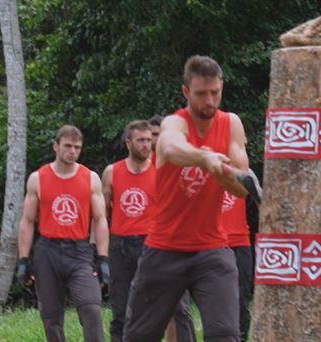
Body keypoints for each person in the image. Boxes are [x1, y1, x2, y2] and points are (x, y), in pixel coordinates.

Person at [123, 55, 251, 342]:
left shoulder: (231, 124)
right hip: (164, 248)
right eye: (201, 94)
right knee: (139, 336)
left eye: (215, 92)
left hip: (212, 249)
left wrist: (224, 174)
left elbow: (241, 189)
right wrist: (205, 157)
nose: (209, 100)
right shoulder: (174, 123)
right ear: (185, 92)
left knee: (225, 335)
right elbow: (169, 148)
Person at [102, 120, 195, 342]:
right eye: (141, 140)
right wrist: (100, 253)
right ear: (128, 143)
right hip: (121, 244)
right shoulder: (112, 172)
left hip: (157, 243)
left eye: (148, 140)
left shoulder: (162, 169)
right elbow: (102, 217)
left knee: (177, 307)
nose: (146, 144)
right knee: (122, 310)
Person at [16, 125, 110, 342]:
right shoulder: (38, 178)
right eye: (68, 146)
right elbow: (27, 221)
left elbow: (100, 220)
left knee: (91, 307)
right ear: (56, 147)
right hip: (47, 250)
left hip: (79, 251)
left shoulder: (91, 178)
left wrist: (103, 258)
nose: (73, 151)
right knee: (50, 316)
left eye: (77, 147)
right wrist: (23, 260)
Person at [221, 168, 261, 342]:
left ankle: (241, 338)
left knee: (242, 299)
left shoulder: (246, 172)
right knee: (217, 300)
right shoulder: (205, 164)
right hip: (213, 243)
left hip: (241, 243)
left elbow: (261, 201)